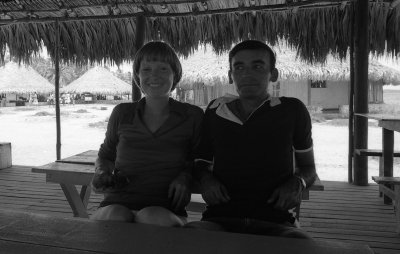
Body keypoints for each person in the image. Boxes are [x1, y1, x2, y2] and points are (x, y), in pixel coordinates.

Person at [188, 40, 317, 238]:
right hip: (220, 219)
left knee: (302, 244)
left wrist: (297, 182)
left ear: (273, 74)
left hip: (277, 222)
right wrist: (206, 180)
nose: (247, 74)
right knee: (185, 238)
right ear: (231, 76)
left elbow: (309, 168)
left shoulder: (292, 110)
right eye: (239, 67)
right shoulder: (215, 111)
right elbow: (200, 162)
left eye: (257, 66)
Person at [90, 41, 203, 227]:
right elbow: (106, 155)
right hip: (118, 202)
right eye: (146, 69)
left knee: (151, 217)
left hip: (166, 208)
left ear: (175, 75)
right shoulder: (122, 112)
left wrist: (185, 176)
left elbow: (201, 160)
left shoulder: (192, 115)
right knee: (115, 215)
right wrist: (102, 172)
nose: (154, 76)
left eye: (163, 69)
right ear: (138, 76)